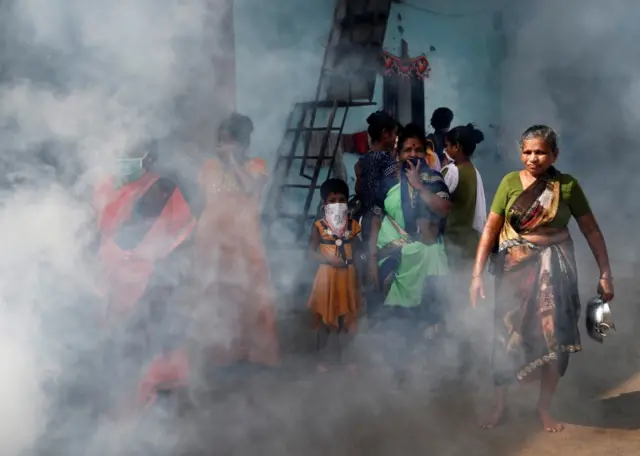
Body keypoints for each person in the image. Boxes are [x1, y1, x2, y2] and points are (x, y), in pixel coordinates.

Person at [470, 125, 614, 432]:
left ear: (554, 154)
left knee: (554, 336)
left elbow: (591, 231)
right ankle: (501, 405)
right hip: (513, 271)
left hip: (556, 270)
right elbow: (491, 229)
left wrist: (605, 273)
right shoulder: (510, 182)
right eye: (527, 151)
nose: (533, 158)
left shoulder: (567, 186)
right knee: (507, 337)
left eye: (540, 152)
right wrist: (476, 274)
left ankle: (543, 407)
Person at [92, 140, 198, 414]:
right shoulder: (105, 184)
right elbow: (95, 227)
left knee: (149, 339)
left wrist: (168, 278)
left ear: (149, 159)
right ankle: (117, 398)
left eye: (132, 155)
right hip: (112, 277)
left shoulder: (163, 189)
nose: (124, 160)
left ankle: (153, 399)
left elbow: (184, 234)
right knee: (115, 340)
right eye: (122, 153)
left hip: (150, 279)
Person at [194, 113, 279, 376]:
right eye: (221, 141)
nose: (223, 147)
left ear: (243, 143)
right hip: (213, 242)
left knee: (251, 296)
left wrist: (232, 162)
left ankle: (253, 355)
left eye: (229, 141)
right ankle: (221, 354)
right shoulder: (209, 168)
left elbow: (249, 190)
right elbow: (204, 203)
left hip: (244, 242)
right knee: (218, 296)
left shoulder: (256, 166)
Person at [367, 124, 451, 372]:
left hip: (427, 260)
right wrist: (372, 260)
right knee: (396, 321)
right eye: (407, 150)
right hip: (395, 257)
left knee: (428, 319)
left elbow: (445, 209)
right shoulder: (387, 183)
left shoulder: (434, 179)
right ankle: (400, 371)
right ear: (398, 154)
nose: (413, 154)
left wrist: (418, 186)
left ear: (425, 153)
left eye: (418, 149)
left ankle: (426, 371)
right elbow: (374, 220)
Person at [307, 178, 362, 372]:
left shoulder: (353, 226)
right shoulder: (319, 226)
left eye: (341, 199)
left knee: (345, 319)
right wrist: (328, 259)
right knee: (324, 318)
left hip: (347, 276)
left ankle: (343, 358)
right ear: (324, 204)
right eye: (332, 200)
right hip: (326, 276)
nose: (337, 204)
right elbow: (310, 253)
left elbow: (355, 251)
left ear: (347, 203)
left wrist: (357, 273)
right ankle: (322, 358)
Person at [354, 111, 399, 245]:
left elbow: (359, 189)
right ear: (385, 133)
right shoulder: (386, 160)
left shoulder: (364, 160)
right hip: (383, 222)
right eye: (394, 133)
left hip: (365, 218)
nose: (396, 138)